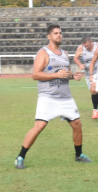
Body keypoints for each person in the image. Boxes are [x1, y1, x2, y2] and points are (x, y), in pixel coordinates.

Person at [14, 24, 92, 169]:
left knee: (77, 124)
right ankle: (20, 157)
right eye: (55, 33)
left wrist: (73, 76)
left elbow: (66, 74)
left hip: (65, 97)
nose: (59, 35)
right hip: (48, 97)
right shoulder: (43, 53)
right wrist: (56, 74)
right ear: (49, 36)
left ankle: (79, 155)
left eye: (60, 33)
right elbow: (35, 75)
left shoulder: (64, 54)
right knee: (39, 126)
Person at [73, 36, 98, 119]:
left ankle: (95, 111)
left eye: (88, 46)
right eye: (85, 46)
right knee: (93, 92)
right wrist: (80, 64)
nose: (86, 48)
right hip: (88, 73)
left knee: (94, 89)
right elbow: (75, 58)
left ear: (91, 42)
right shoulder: (80, 48)